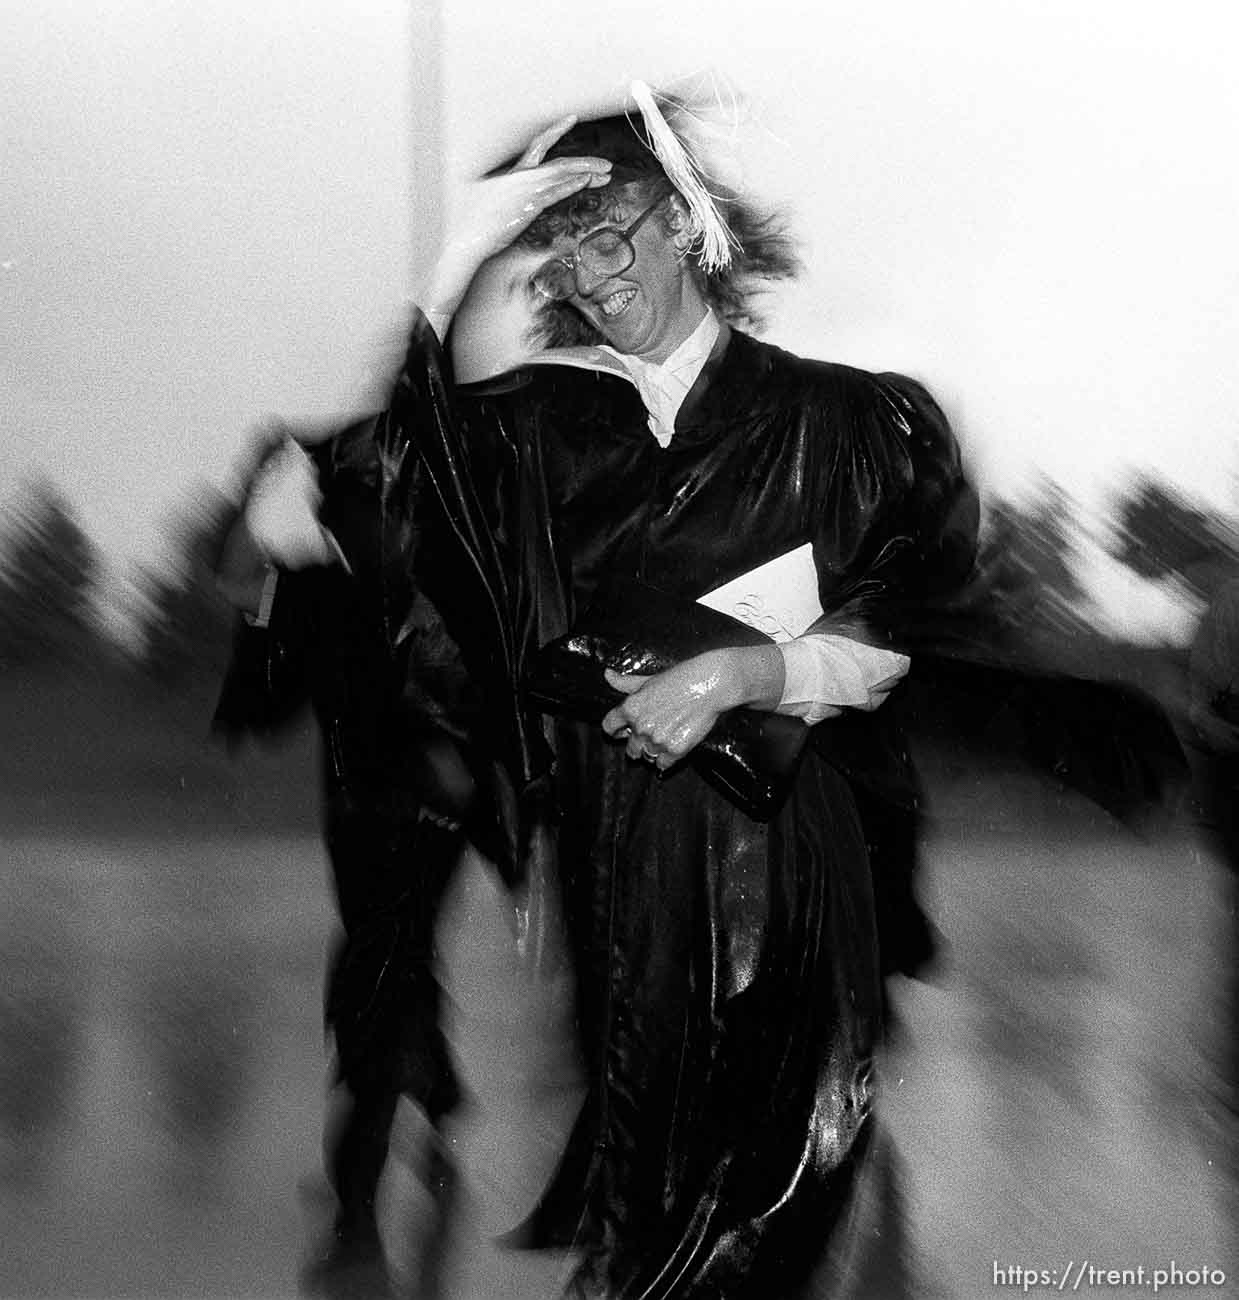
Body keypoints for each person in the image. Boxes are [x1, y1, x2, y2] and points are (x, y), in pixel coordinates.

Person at [237, 86, 1183, 1298]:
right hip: (625, 868)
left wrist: (753, 671)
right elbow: (412, 464)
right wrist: (460, 253)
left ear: (685, 223)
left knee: (755, 1222)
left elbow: (901, 623)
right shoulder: (545, 429)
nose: (587, 267)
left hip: (784, 866)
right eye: (561, 245)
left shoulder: (839, 421)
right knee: (643, 1214)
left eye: (612, 226)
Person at [213, 427, 481, 1298]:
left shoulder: (441, 582)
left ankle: (356, 1216)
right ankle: (437, 1100)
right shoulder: (316, 591)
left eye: (376, 498)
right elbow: (253, 667)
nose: (363, 518)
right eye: (347, 501)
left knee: (372, 982)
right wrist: (254, 487)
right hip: (363, 827)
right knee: (393, 967)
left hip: (427, 824)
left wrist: (458, 760)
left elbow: (489, 700)